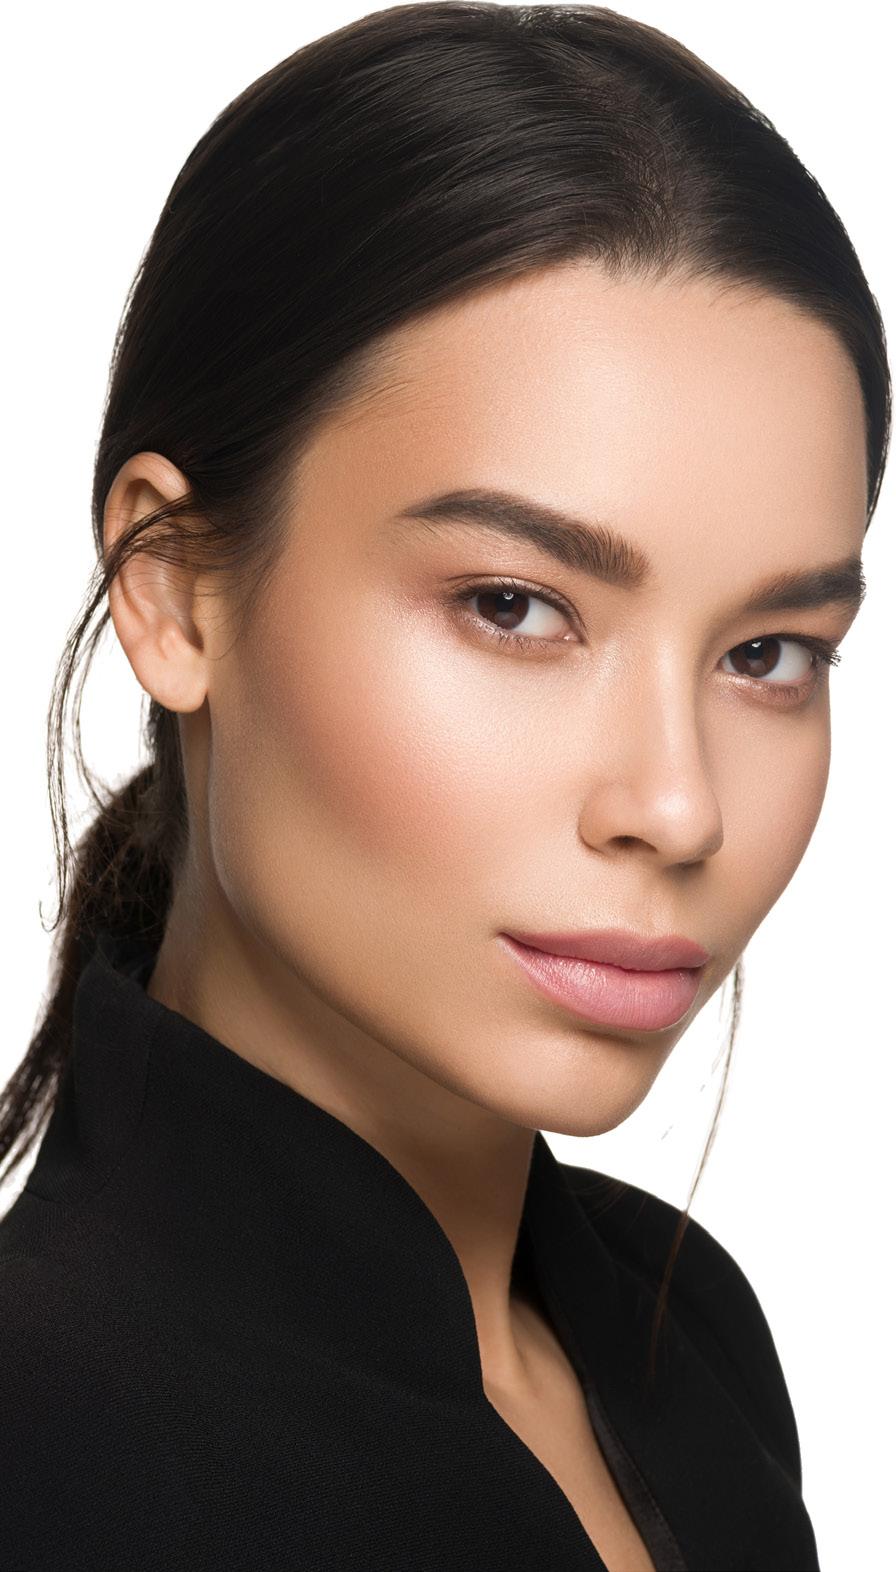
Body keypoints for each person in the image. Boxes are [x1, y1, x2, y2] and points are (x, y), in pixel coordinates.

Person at [0, 5, 887, 1569]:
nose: (679, 806)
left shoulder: (688, 1340)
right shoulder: (44, 1446)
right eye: (514, 607)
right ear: (174, 591)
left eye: (766, 653)